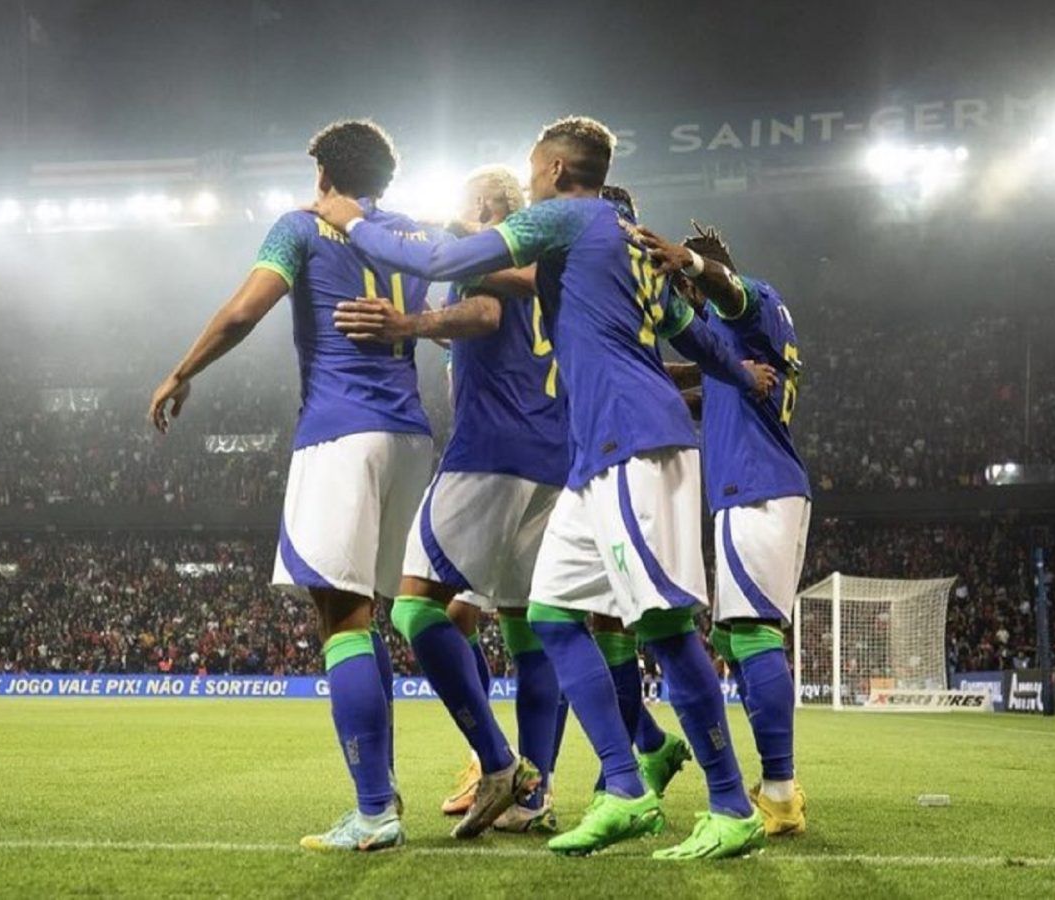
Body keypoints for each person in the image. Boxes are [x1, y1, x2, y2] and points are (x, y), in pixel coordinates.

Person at [312, 115, 773, 859]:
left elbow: (452, 257)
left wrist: (356, 220)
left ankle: (730, 804)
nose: (529, 183)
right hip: (584, 457)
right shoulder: (622, 238)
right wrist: (736, 368)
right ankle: (623, 784)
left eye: (534, 169)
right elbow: (686, 328)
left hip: (634, 441)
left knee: (660, 625)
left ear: (558, 170)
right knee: (555, 616)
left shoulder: (565, 216)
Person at [149, 120, 435, 852]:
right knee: (365, 615)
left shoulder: (301, 227)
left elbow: (246, 309)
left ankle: (374, 811)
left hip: (341, 431)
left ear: (323, 176)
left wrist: (183, 371)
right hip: (410, 437)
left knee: (340, 618)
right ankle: (384, 793)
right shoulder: (407, 232)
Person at [334, 164, 567, 837]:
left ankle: (496, 762)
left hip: (493, 449)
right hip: (552, 458)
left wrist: (410, 321)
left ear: (500, 207)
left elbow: (485, 310)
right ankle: (533, 795)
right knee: (526, 632)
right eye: (473, 207)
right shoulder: (552, 269)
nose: (476, 214)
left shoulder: (491, 256)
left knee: (413, 607)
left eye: (482, 205)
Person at [630, 220, 811, 836]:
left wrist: (695, 265)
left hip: (754, 490)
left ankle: (781, 794)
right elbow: (703, 378)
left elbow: (731, 294)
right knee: (739, 639)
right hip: (770, 488)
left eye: (684, 290)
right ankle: (778, 784)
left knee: (753, 635)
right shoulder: (753, 336)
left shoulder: (746, 303)